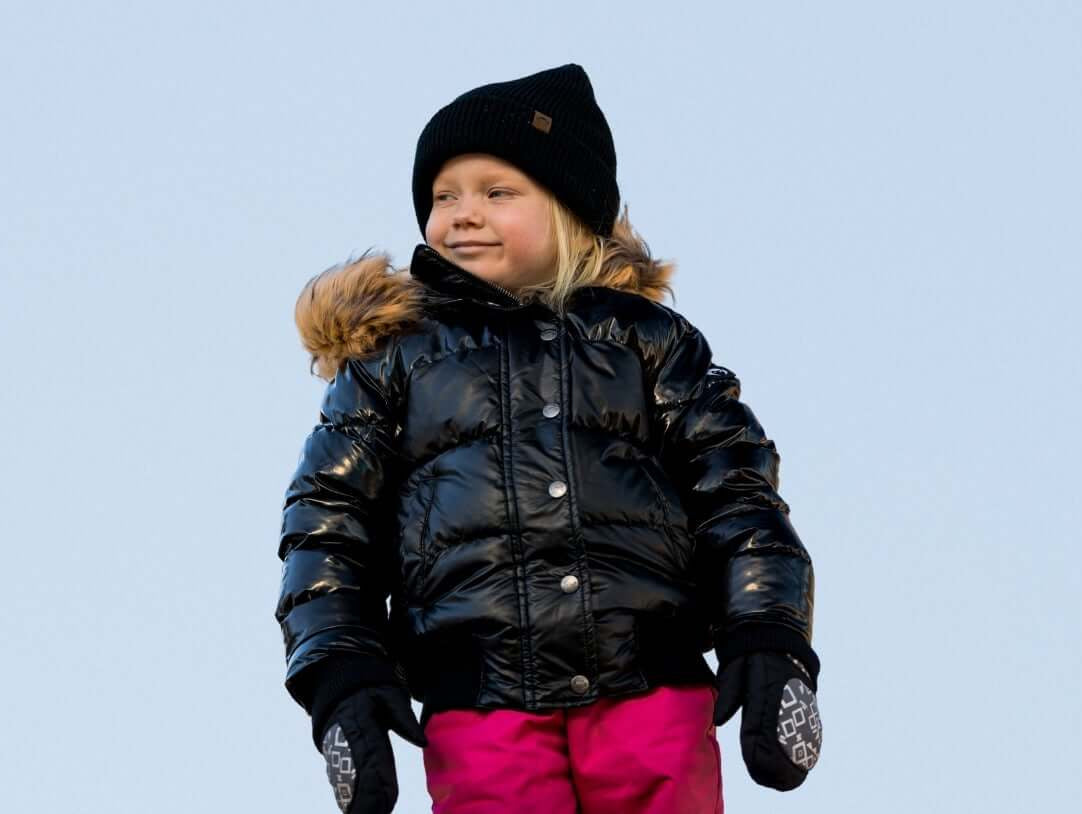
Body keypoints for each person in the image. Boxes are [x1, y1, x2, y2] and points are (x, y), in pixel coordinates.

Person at [274, 63, 823, 814]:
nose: (462, 214)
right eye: (443, 196)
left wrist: (768, 635)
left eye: (498, 192)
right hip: (482, 697)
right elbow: (328, 523)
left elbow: (737, 492)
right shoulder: (395, 361)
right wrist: (341, 674)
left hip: (648, 682)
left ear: (570, 209)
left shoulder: (647, 344)